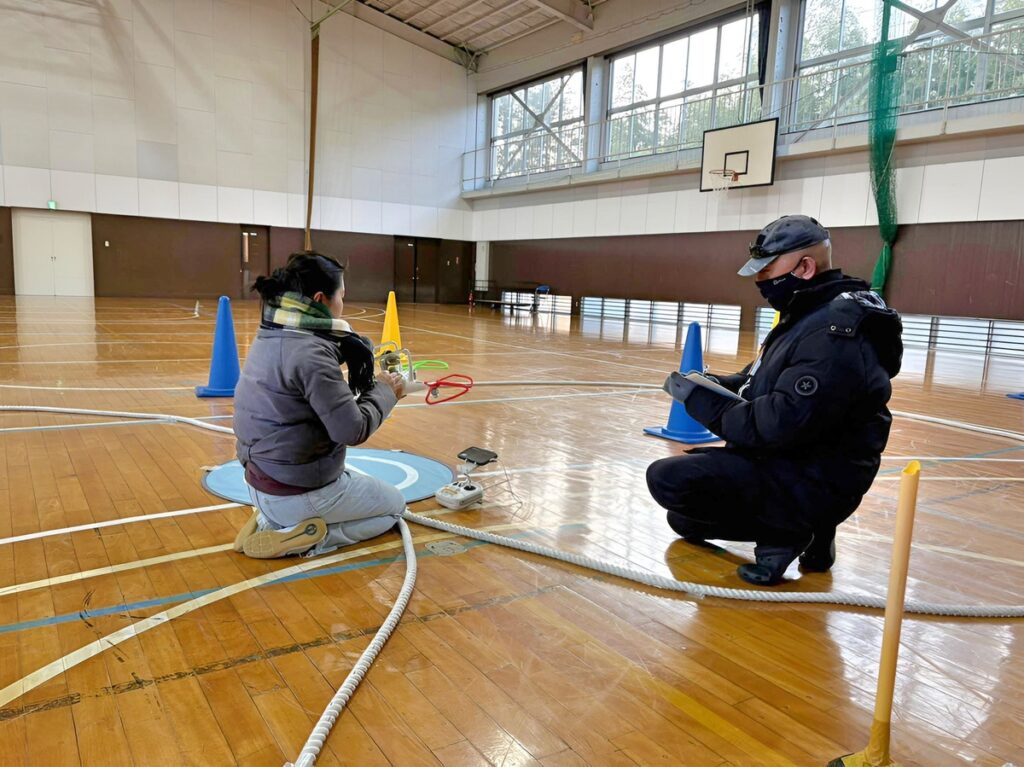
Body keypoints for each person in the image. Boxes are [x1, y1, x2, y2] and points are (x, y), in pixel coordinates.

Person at [646, 215, 903, 585]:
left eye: (767, 269)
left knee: (668, 480)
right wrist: (715, 383)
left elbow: (776, 423)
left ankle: (789, 533)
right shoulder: (811, 313)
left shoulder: (833, 333)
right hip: (801, 466)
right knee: (683, 519)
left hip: (815, 476)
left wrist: (706, 405)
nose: (760, 280)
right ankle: (813, 526)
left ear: (805, 267)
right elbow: (761, 378)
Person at [231, 252, 407, 559]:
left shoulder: (271, 331)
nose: (343, 304)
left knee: (353, 481)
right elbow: (352, 429)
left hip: (259, 482)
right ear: (320, 299)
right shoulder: (312, 353)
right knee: (394, 507)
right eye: (340, 295)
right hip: (297, 491)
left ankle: (267, 520)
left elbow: (297, 368)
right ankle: (308, 537)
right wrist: (385, 391)